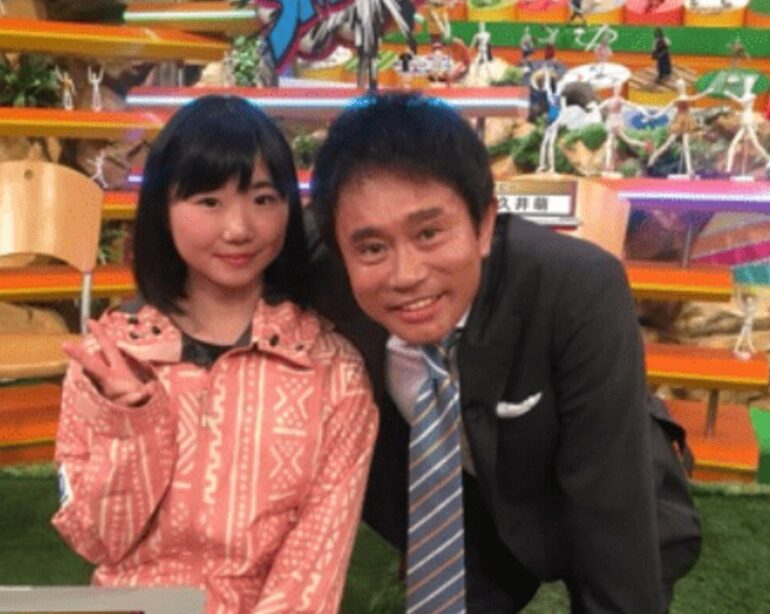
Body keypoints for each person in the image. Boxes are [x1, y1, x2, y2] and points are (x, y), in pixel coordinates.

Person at [310, 92, 700, 613]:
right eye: (372, 248)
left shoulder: (578, 288)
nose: (406, 275)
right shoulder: (319, 270)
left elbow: (613, 514)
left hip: (602, 483)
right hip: (470, 517)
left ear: (485, 224)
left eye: (429, 233)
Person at [52, 95, 378, 614]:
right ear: (163, 210)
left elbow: (312, 569)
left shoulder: (333, 372)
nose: (239, 228)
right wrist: (130, 422)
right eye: (209, 202)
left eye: (264, 199)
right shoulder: (110, 356)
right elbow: (97, 541)